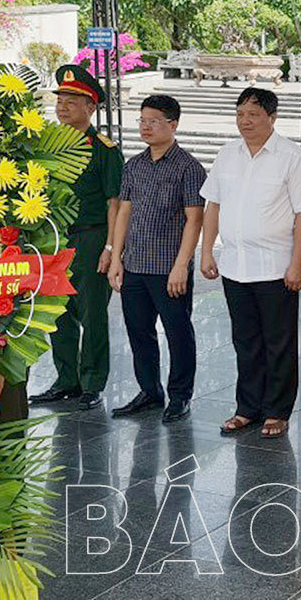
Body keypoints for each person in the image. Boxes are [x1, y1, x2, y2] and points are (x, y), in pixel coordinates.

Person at [199, 87, 301, 439]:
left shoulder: (292, 157)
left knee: (278, 342)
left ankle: (277, 411)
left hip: (275, 266)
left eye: (253, 115)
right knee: (245, 341)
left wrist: (298, 263)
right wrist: (207, 252)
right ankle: (247, 408)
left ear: (272, 118)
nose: (245, 121)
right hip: (235, 264)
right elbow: (213, 205)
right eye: (240, 114)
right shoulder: (227, 154)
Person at [107, 94, 207, 423]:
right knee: (139, 332)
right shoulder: (134, 165)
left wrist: (182, 265)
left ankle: (180, 396)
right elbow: (124, 211)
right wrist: (116, 257)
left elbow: (195, 220)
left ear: (173, 125)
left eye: (154, 121)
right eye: (142, 121)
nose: (146, 127)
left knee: (178, 334)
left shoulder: (188, 167)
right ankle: (149, 391)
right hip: (134, 265)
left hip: (168, 269)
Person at [30, 65, 123, 411]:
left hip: (90, 239)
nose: (63, 105)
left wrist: (111, 249)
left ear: (91, 107)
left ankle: (92, 382)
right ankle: (66, 379)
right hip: (53, 239)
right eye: (60, 99)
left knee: (92, 313)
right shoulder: (46, 146)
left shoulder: (104, 149)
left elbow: (115, 202)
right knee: (57, 313)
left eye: (73, 100)